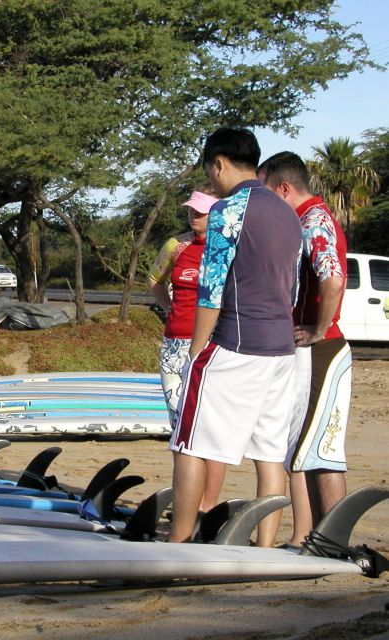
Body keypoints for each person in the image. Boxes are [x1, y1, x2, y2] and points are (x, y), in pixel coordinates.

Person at [168, 127, 302, 547]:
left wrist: (195, 353)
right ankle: (265, 546)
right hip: (283, 350)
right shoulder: (287, 212)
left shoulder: (229, 210)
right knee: (269, 452)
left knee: (189, 442)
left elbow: (211, 291)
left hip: (237, 344)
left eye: (211, 170)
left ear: (219, 163)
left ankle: (178, 540)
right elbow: (292, 286)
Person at [259, 151, 351, 547]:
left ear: (284, 188)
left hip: (322, 349)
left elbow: (332, 279)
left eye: (266, 193)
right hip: (311, 350)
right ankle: (316, 536)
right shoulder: (304, 221)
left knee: (322, 449)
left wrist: (317, 328)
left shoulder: (315, 221)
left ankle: (334, 539)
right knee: (305, 447)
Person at [149, 190, 227, 513]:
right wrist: (169, 309)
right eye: (191, 211)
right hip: (174, 347)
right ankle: (185, 501)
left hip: (211, 348)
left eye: (201, 212)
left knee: (209, 429)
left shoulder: (225, 247)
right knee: (180, 430)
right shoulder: (175, 246)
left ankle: (206, 506)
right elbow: (153, 281)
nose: (194, 217)